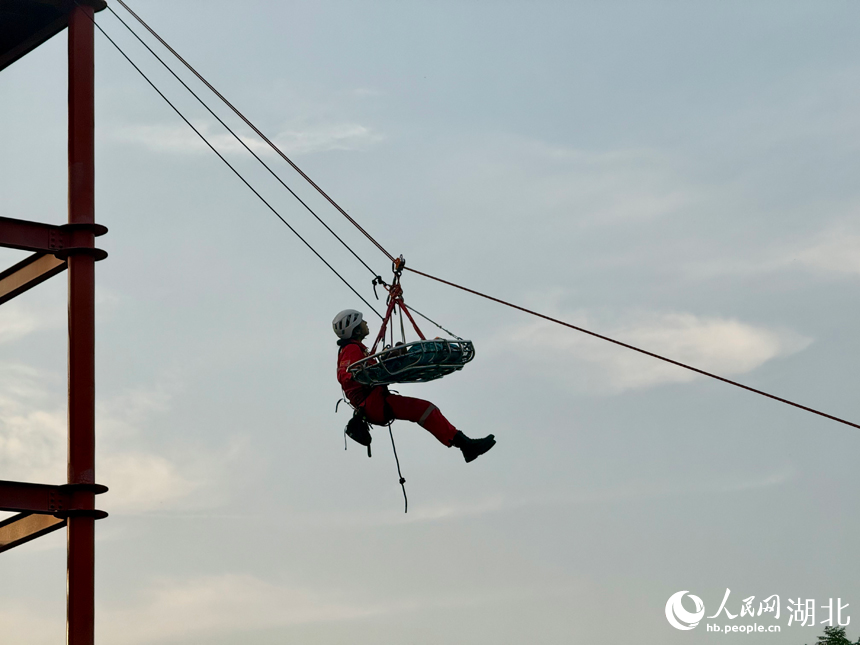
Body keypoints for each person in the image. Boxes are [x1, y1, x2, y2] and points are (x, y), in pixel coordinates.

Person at [333, 309, 495, 462]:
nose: (366, 322)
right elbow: (345, 375)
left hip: (374, 402)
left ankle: (465, 445)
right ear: (356, 330)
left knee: (425, 410)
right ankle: (466, 445)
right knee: (425, 409)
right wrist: (369, 371)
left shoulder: (355, 349)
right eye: (362, 322)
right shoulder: (351, 349)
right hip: (372, 404)